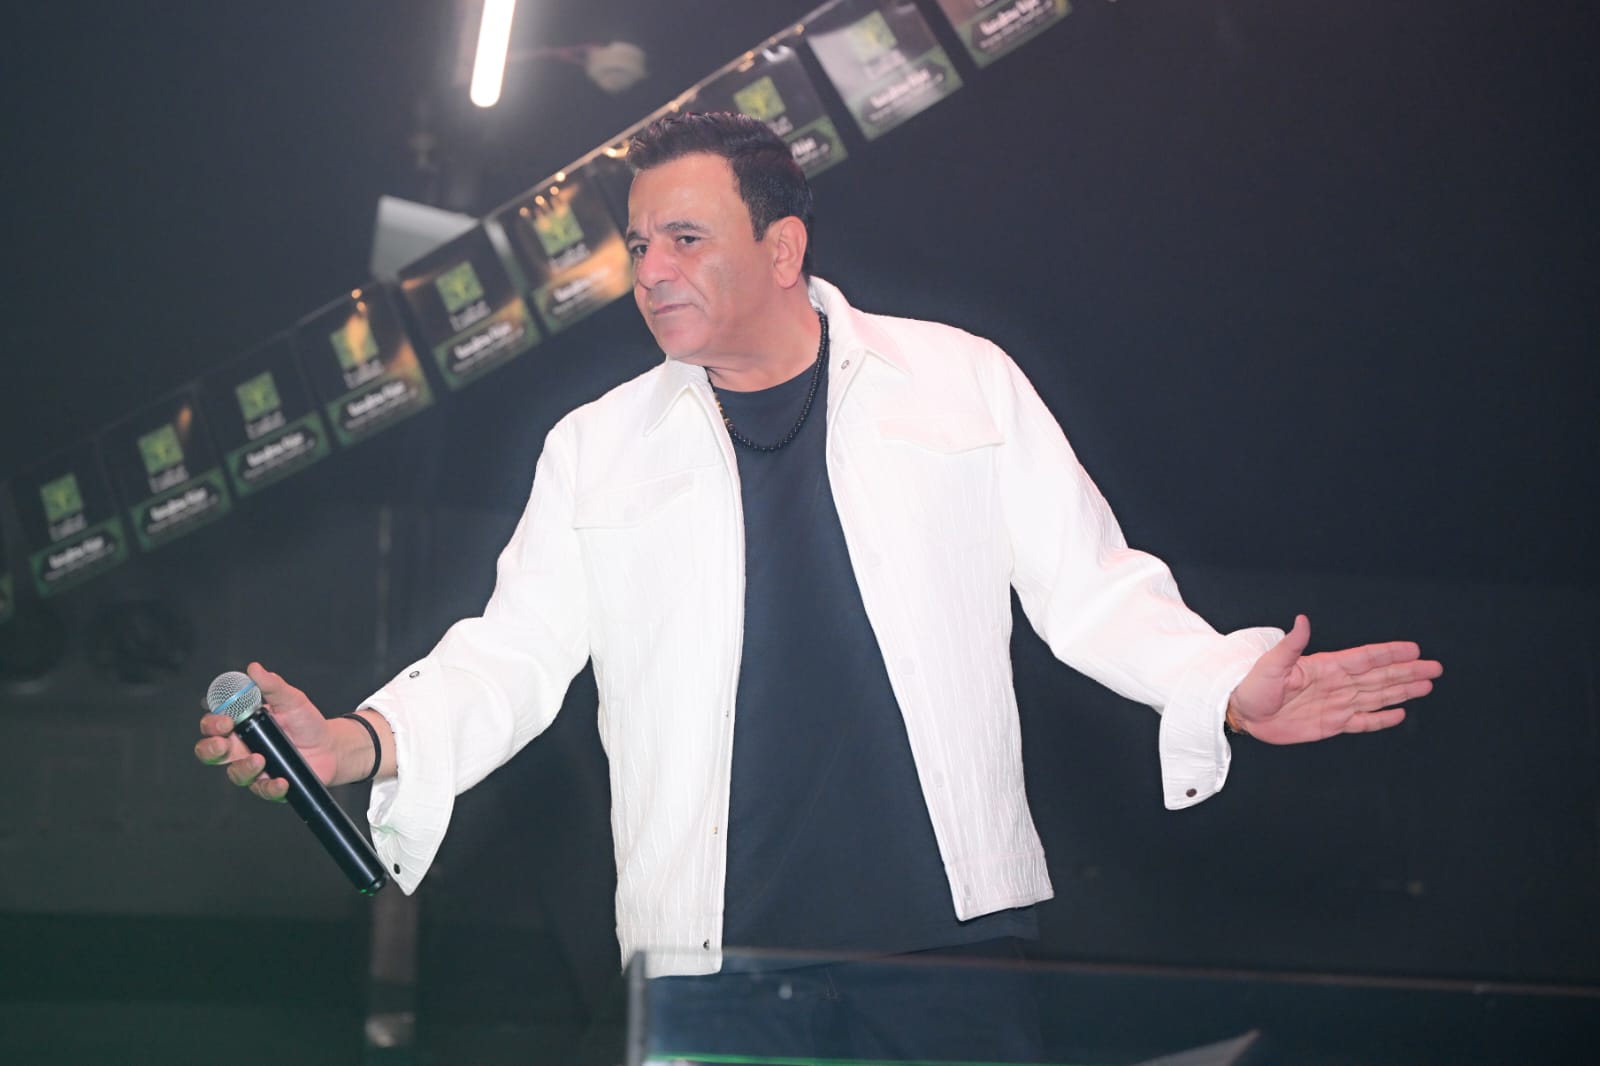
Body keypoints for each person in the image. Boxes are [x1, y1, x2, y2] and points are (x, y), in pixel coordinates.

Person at [196, 115, 1441, 1003]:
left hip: (949, 938)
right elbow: (511, 655)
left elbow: (1093, 587)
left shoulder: (958, 380)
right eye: (639, 244)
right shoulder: (596, 447)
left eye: (686, 238)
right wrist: (357, 741)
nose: (651, 271)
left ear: (782, 248)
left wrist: (1222, 684)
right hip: (707, 953)